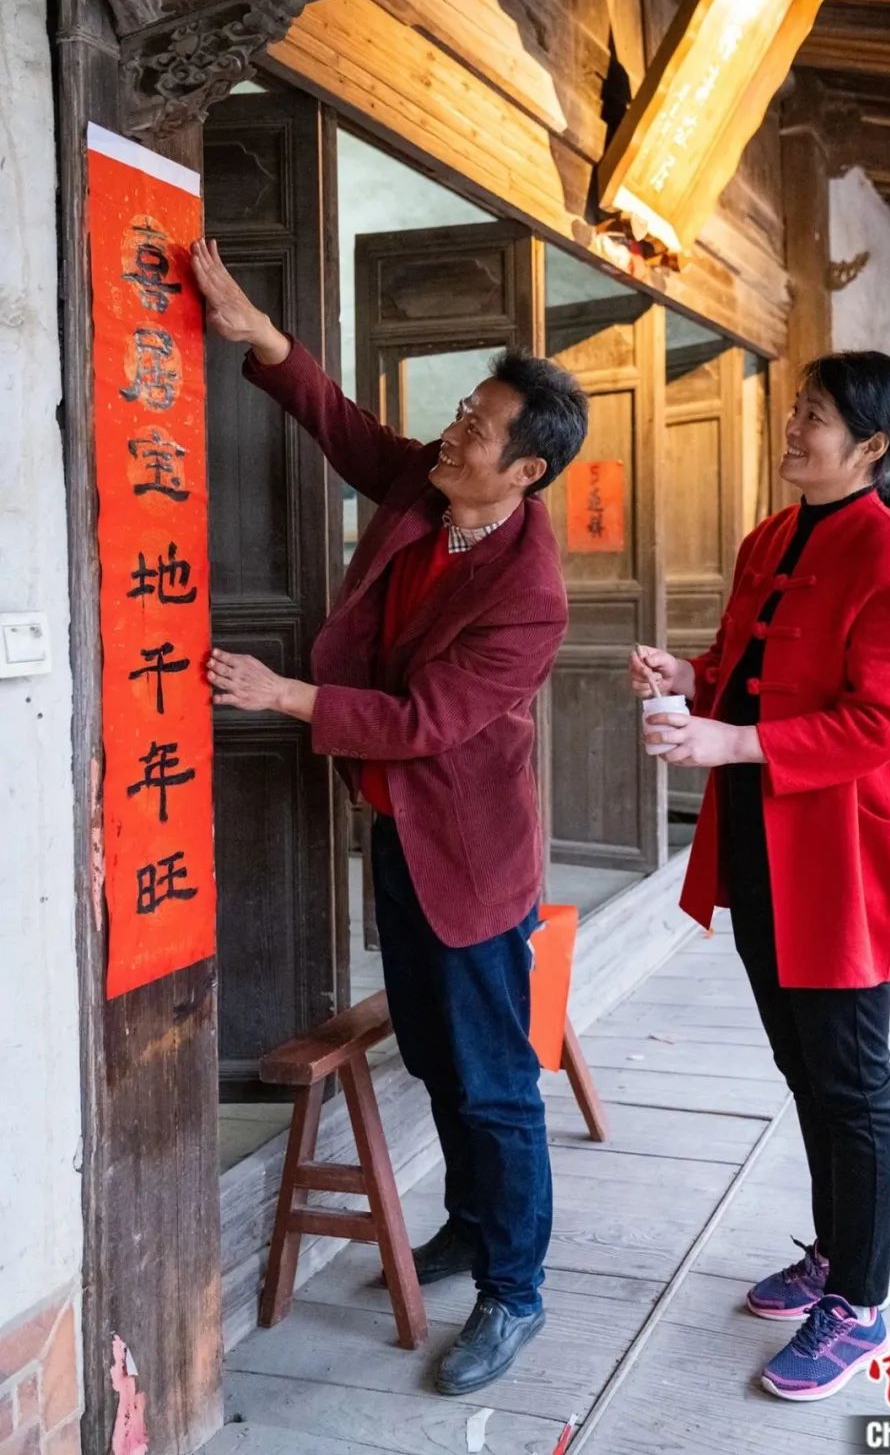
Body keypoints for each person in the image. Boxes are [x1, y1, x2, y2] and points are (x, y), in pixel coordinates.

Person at [191, 239, 588, 1396]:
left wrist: (283, 695)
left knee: (494, 1079)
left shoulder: (529, 595)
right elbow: (354, 436)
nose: (454, 432)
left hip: (468, 855)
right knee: (434, 1051)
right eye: (464, 411)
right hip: (398, 831)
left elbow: (424, 721)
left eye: (479, 428)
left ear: (525, 472)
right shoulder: (436, 483)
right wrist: (261, 335)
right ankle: (469, 1224)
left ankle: (516, 1292)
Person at [630, 352, 890, 1404]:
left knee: (852, 1081)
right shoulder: (769, 538)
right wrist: (689, 677)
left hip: (842, 857)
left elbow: (877, 723)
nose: (793, 428)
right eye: (796, 409)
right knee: (804, 1067)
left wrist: (727, 742)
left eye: (815, 415)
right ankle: (835, 1250)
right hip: (762, 846)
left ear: (871, 447)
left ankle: (861, 1302)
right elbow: (743, 666)